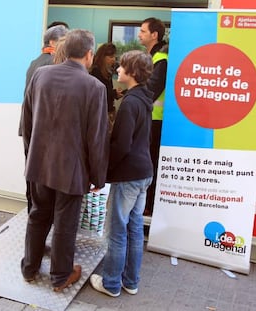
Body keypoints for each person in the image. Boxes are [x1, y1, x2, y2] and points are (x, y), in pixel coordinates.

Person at [20, 29, 109, 292]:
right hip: (71, 171)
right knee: (64, 224)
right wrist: (98, 176)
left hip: (38, 164)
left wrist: (30, 156)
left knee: (37, 216)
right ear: (89, 54)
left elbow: (27, 122)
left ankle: (29, 268)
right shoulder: (94, 87)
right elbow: (97, 138)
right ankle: (60, 276)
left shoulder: (40, 75)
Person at [90, 50, 154, 297]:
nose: (117, 69)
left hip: (129, 176)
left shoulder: (129, 103)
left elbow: (121, 146)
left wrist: (102, 174)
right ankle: (131, 281)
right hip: (144, 173)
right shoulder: (143, 99)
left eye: (122, 66)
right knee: (135, 229)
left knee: (117, 230)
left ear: (133, 73)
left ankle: (111, 284)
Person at [20, 24, 69, 215]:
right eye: (63, 41)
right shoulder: (52, 64)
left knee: (31, 173)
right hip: (43, 130)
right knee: (43, 179)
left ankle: (32, 212)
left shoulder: (35, 62)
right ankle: (40, 218)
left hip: (29, 127)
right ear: (52, 42)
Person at [138, 17, 168, 216]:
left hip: (156, 121)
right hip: (148, 119)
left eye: (142, 31)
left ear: (154, 35)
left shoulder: (161, 59)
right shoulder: (149, 56)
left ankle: (149, 207)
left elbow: (151, 90)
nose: (139, 34)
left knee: (151, 164)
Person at [90, 42, 123, 129]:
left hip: (109, 111)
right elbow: (98, 94)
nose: (113, 59)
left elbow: (107, 91)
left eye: (114, 57)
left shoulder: (108, 72)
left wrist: (115, 94)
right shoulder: (96, 71)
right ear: (102, 57)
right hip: (101, 113)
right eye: (110, 57)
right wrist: (113, 93)